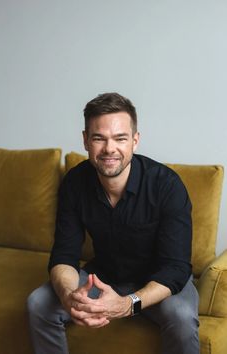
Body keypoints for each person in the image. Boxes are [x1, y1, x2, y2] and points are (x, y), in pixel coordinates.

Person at [27, 92, 200, 354]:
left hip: (159, 284)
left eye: (120, 138)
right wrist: (69, 296)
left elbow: (175, 268)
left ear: (135, 140)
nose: (110, 149)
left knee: (182, 316)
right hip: (105, 276)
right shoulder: (75, 183)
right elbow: (64, 254)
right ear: (86, 140)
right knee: (39, 303)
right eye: (99, 138)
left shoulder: (167, 186)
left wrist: (127, 304)